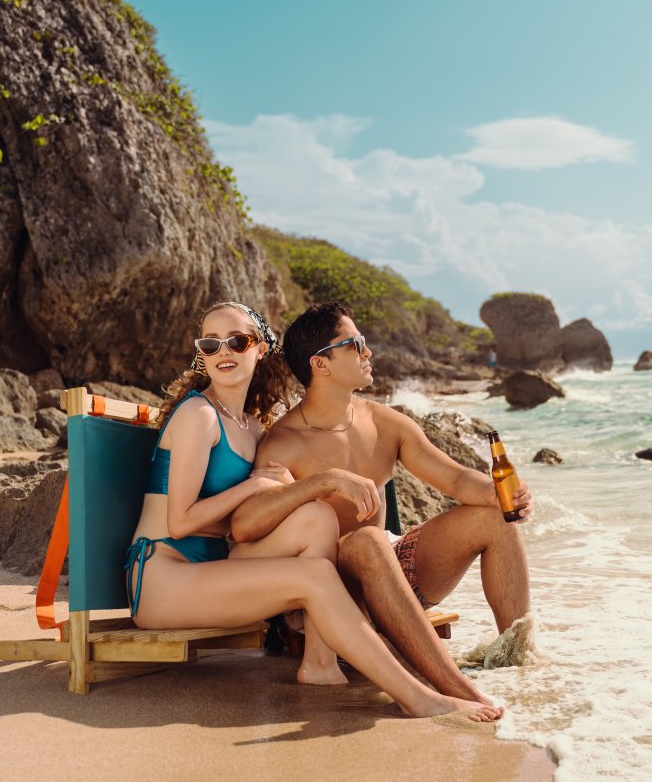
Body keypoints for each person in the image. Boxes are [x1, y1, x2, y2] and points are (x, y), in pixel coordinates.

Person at [124, 300, 501, 720]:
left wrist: (300, 489)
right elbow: (180, 522)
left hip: (212, 570)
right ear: (201, 354)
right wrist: (256, 485)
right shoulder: (199, 414)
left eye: (237, 341)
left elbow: (257, 516)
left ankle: (321, 663)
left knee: (317, 514)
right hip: (164, 579)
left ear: (260, 349)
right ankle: (416, 696)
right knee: (316, 574)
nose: (224, 352)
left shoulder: (251, 425)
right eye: (211, 344)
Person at [230, 302, 533, 703]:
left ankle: (520, 667)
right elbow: (245, 525)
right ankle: (455, 690)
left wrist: (499, 495)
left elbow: (457, 479)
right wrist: (321, 484)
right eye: (355, 344)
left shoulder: (384, 423)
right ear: (321, 364)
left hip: (393, 577)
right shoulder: (286, 443)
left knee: (496, 519)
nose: (368, 352)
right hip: (332, 596)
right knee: (365, 542)